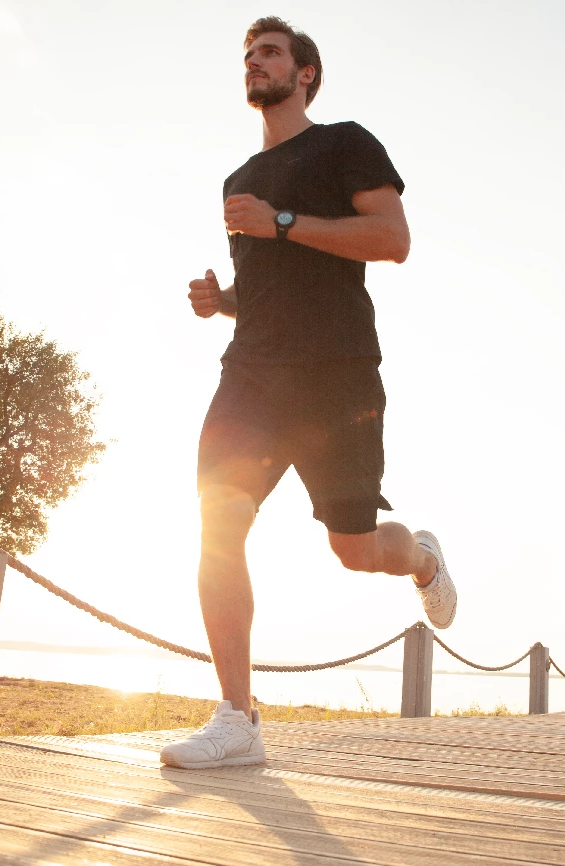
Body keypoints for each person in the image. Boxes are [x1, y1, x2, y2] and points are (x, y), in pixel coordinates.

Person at [159, 16, 457, 770]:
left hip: (338, 374)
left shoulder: (344, 143)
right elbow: (271, 289)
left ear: (306, 74)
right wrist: (222, 301)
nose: (255, 64)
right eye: (249, 55)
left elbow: (392, 240)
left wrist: (282, 222)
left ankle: (420, 558)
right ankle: (238, 719)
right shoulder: (238, 183)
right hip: (252, 373)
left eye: (270, 53)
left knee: (355, 551)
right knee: (216, 522)